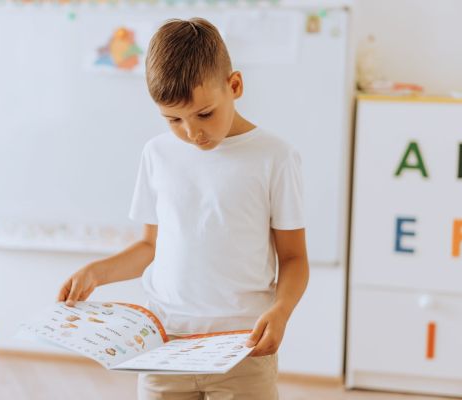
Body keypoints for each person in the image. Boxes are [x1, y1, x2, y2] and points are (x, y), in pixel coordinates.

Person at [58, 17, 309, 399]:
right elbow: (149, 247)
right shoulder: (157, 154)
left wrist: (281, 311)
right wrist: (98, 272)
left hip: (243, 347)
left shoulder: (275, 157)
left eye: (204, 114)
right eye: (173, 119)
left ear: (235, 86)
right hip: (165, 345)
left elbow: (293, 259)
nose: (192, 133)